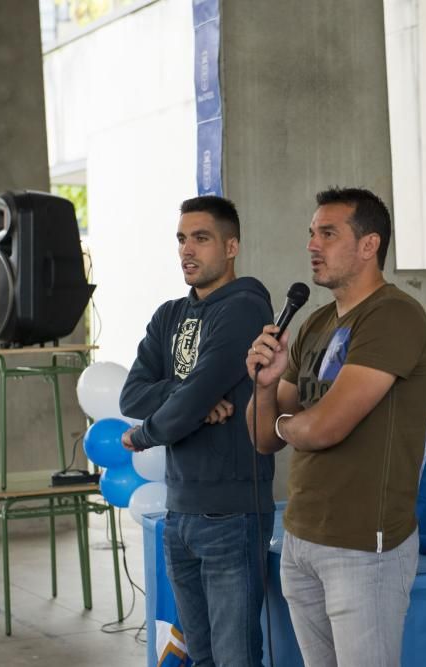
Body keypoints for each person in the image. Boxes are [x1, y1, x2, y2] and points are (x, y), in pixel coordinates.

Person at [245, 187, 426, 667]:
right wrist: (266, 386)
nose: (313, 244)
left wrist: (286, 420)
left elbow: (328, 427)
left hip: (362, 544)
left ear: (369, 245)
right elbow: (261, 436)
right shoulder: (316, 323)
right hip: (303, 536)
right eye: (311, 233)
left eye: (328, 233)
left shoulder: (393, 315)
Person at [119, 195, 274, 667]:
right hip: (179, 512)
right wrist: (187, 401)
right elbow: (132, 394)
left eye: (201, 238)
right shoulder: (169, 315)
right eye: (182, 239)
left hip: (230, 515)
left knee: (234, 659)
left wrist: (143, 435)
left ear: (231, 247)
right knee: (200, 659)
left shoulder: (245, 306)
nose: (187, 249)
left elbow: (201, 387)